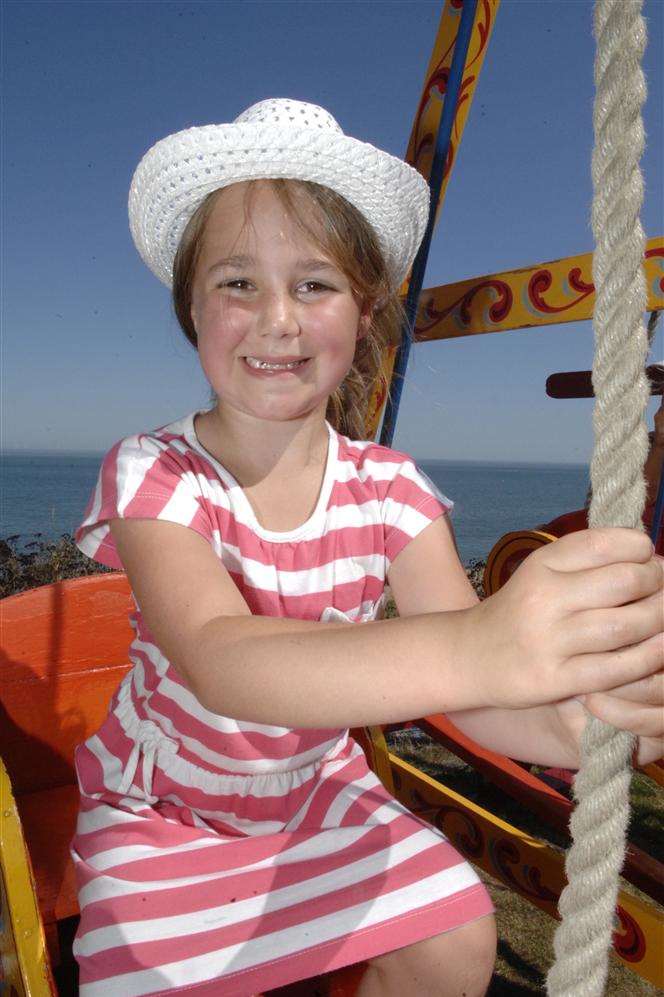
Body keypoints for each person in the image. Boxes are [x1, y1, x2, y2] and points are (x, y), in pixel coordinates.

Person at [71, 99, 664, 997]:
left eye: (314, 284)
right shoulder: (156, 473)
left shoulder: (393, 489)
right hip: (168, 814)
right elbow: (221, 659)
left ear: (365, 309)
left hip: (314, 791)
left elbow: (474, 691)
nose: (277, 318)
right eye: (237, 283)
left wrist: (576, 726)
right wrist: (484, 646)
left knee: (458, 936)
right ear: (191, 308)